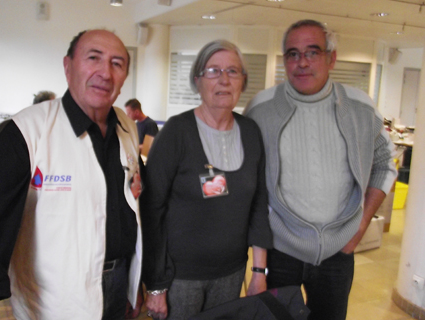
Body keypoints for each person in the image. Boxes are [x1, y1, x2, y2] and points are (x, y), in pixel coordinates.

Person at [0, 29, 142, 320]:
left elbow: (134, 205)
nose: (105, 72)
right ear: (68, 67)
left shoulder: (126, 127)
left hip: (118, 285)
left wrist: (134, 284)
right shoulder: (27, 131)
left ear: (125, 76)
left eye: (117, 63)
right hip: (53, 301)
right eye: (94, 58)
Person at [244, 19, 397, 320]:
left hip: (339, 251)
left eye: (312, 52)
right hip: (281, 248)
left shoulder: (360, 108)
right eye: (292, 54)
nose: (302, 63)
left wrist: (362, 224)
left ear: (331, 58)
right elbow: (252, 183)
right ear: (285, 59)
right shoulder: (260, 109)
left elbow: (384, 162)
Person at [141, 40, 273, 320]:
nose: (224, 80)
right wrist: (155, 286)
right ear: (197, 80)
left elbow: (259, 206)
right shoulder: (177, 132)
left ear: (243, 81)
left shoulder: (250, 132)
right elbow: (151, 212)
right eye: (213, 71)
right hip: (180, 278)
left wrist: (259, 272)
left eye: (233, 71)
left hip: (232, 272)